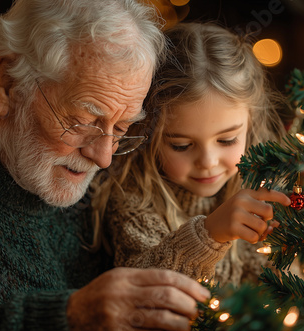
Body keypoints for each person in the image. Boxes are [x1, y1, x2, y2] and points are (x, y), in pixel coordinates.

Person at [0, 1, 212, 331]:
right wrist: (66, 318)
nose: (103, 157)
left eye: (123, 128)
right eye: (82, 122)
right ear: (7, 84)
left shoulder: (121, 169)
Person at [90, 22, 292, 286]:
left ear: (251, 123)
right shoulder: (131, 200)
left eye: (227, 140)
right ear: (147, 134)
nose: (208, 162)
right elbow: (142, 286)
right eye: (182, 145)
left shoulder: (265, 186)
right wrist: (208, 235)